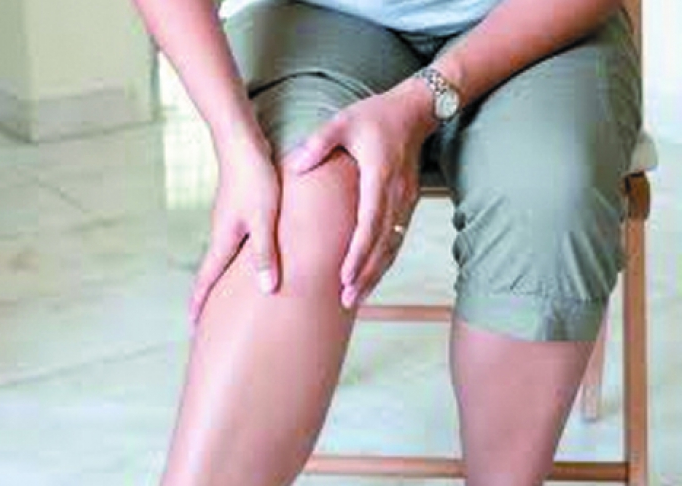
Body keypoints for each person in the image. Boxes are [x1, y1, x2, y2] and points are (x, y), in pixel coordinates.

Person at [131, 0, 641, 484]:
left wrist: (425, 99)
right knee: (300, 204)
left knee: (548, 193)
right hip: (317, 18)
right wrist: (235, 144)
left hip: (533, 25)